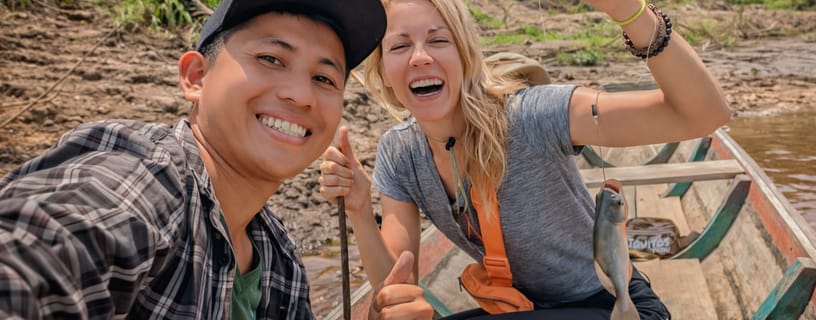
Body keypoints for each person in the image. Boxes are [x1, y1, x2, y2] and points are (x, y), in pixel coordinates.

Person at [0, 0, 433, 319]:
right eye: (270, 58)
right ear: (196, 77)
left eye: (323, 78)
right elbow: (40, 252)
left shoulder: (277, 257)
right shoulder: (148, 181)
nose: (300, 95)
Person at [319, 0, 730, 318]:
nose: (420, 57)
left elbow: (703, 114)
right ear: (384, 71)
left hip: (616, 307)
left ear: (465, 55)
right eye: (400, 46)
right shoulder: (399, 153)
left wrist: (629, 11)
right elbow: (398, 284)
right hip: (524, 309)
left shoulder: (533, 115)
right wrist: (358, 207)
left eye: (438, 40)